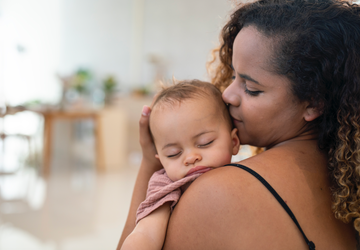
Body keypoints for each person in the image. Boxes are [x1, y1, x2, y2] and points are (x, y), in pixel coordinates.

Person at [117, 0, 360, 249]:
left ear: (314, 103)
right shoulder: (349, 184)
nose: (227, 95)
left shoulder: (215, 194)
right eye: (233, 75)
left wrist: (150, 164)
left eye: (252, 89)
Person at [121, 80, 240, 250]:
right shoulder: (166, 185)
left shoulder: (243, 175)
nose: (191, 158)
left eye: (205, 143)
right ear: (160, 160)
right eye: (173, 154)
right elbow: (146, 233)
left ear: (234, 142)